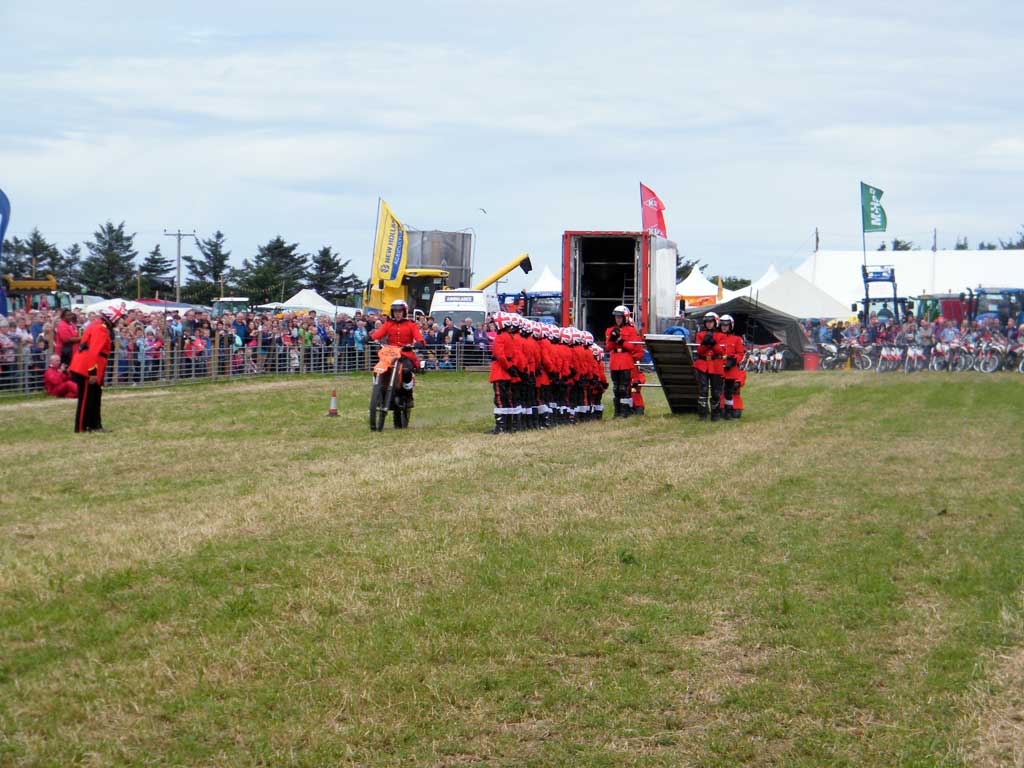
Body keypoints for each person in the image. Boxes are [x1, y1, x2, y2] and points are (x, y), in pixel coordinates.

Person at [69, 305, 121, 432]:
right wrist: (92, 373)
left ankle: (95, 425)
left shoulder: (96, 325)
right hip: (87, 368)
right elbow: (94, 352)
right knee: (86, 398)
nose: (118, 322)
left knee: (95, 396)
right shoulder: (100, 329)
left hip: (90, 366)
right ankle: (81, 427)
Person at [369, 299, 424, 401]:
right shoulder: (388, 324)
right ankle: (379, 390)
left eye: (400, 311)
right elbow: (378, 334)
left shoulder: (411, 324)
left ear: (404, 312)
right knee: (378, 369)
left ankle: (408, 395)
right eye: (395, 312)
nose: (397, 314)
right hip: (390, 354)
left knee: (406, 372)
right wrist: (369, 338)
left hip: (405, 354)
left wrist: (418, 343)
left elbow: (419, 338)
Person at [604, 305, 642, 418]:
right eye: (616, 317)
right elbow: (608, 347)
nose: (618, 319)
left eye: (620, 317)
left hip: (626, 360)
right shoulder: (610, 330)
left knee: (624, 388)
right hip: (615, 361)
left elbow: (631, 347)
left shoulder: (631, 330)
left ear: (625, 318)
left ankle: (626, 411)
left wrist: (621, 341)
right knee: (616, 388)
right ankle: (617, 412)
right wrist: (612, 338)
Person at [693, 311, 725, 421]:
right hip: (702, 364)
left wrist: (713, 343)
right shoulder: (700, 335)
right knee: (703, 390)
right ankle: (702, 415)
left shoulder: (721, 336)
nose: (709, 324)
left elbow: (721, 351)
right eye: (707, 322)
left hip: (716, 365)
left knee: (716, 391)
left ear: (715, 322)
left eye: (711, 322)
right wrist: (706, 343)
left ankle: (715, 414)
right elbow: (699, 351)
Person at [487, 313, 516, 433]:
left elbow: (499, 355)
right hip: (507, 372)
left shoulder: (500, 337)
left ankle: (500, 426)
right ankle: (508, 425)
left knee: (499, 399)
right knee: (507, 399)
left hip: (500, 371)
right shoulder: (510, 336)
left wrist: (508, 367)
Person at [719, 314, 745, 419]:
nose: (724, 327)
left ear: (731, 325)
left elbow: (740, 353)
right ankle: (719, 408)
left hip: (731, 368)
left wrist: (733, 360)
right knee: (717, 390)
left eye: (726, 325)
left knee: (731, 390)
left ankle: (729, 410)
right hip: (718, 368)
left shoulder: (737, 339)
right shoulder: (716, 338)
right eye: (722, 325)